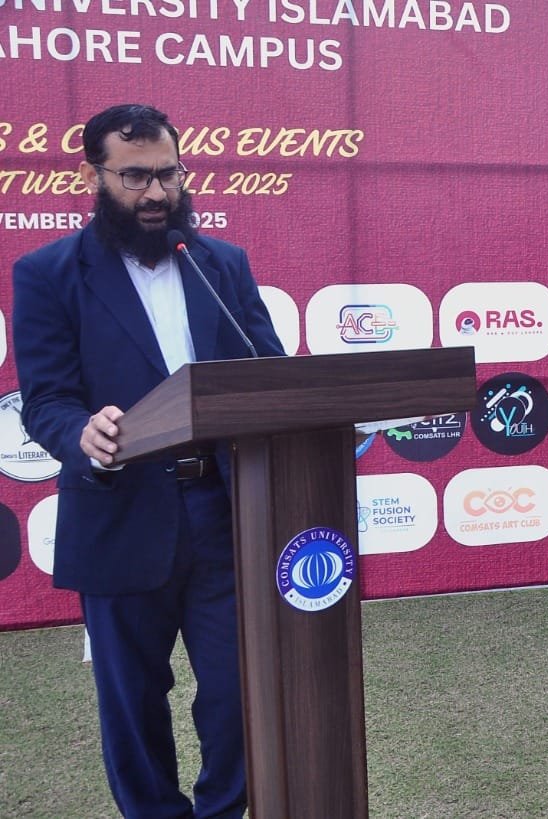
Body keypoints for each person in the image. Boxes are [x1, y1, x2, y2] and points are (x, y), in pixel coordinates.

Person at [12, 103, 287, 818]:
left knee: (238, 693)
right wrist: (83, 433)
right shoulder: (47, 274)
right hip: (119, 513)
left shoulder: (221, 264)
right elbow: (46, 399)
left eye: (168, 173)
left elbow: (268, 368)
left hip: (226, 512)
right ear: (94, 177)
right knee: (132, 704)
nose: (156, 192)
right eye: (135, 177)